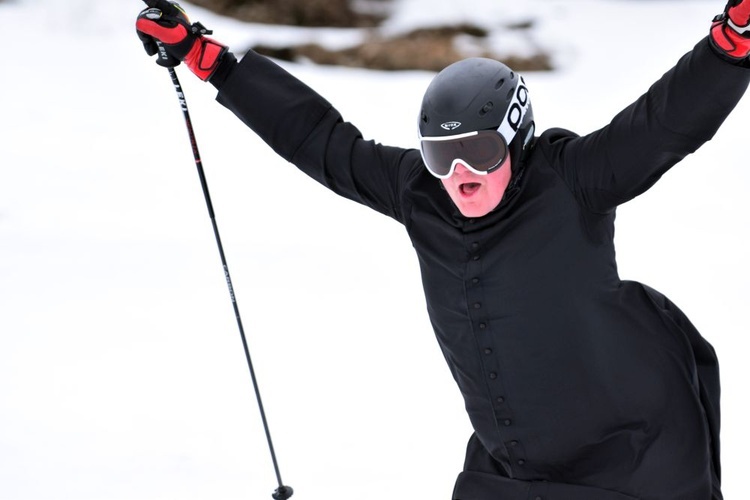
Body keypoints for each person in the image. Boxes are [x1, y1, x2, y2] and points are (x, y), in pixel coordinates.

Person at [136, 1, 750, 498]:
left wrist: (730, 47)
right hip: (510, 468)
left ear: (516, 136)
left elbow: (662, 125)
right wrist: (210, 59)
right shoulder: (420, 194)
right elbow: (320, 141)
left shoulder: (574, 181)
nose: (460, 174)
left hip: (628, 463)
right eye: (439, 155)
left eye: (479, 153)